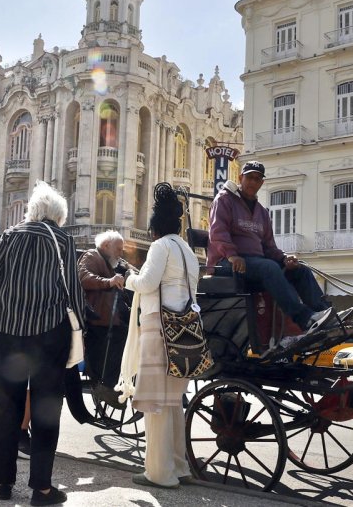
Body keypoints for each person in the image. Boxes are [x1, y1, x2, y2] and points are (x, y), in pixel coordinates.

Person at [0, 181, 78, 506]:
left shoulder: (11, 235)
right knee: (46, 409)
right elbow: (73, 291)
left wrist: (3, 304)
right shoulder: (63, 239)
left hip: (7, 333)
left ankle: (3, 484)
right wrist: (80, 326)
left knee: (5, 407)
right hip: (49, 334)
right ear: (58, 215)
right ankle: (42, 490)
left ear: (34, 210)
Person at [117, 183, 196, 490]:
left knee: (156, 405)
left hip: (159, 328)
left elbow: (148, 283)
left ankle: (160, 472)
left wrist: (128, 278)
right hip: (185, 331)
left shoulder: (161, 247)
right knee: (174, 402)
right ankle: (179, 465)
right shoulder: (187, 250)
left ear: (154, 229)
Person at [208, 160, 338, 342]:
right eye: (249, 177)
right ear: (240, 178)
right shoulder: (224, 200)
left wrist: (284, 258)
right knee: (269, 267)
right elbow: (218, 233)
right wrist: (232, 255)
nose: (253, 182)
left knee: (300, 270)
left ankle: (323, 315)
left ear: (262, 183)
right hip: (227, 263)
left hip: (256, 264)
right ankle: (304, 318)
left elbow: (269, 246)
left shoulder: (262, 212)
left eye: (257, 179)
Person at [77, 230, 131, 396]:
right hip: (97, 319)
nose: (121, 253)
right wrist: (109, 282)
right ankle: (107, 386)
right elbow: (83, 276)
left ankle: (114, 383)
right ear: (106, 245)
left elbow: (131, 268)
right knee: (118, 340)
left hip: (110, 318)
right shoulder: (92, 255)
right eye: (119, 249)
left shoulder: (111, 261)